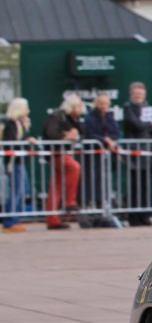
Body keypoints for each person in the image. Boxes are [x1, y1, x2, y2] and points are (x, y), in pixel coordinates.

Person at [119, 81, 152, 225]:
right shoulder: (128, 107)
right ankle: (134, 216)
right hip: (134, 152)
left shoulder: (147, 107)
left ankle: (144, 215)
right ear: (132, 94)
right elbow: (136, 125)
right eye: (136, 94)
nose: (139, 96)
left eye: (141, 94)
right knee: (135, 185)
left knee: (145, 185)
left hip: (146, 151)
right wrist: (151, 124)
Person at [80, 92, 123, 228]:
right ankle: (90, 213)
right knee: (91, 183)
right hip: (93, 156)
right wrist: (104, 140)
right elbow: (90, 134)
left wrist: (111, 139)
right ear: (96, 104)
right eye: (101, 103)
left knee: (105, 183)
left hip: (107, 157)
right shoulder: (90, 118)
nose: (104, 106)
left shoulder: (110, 117)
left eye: (106, 103)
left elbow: (116, 132)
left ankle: (103, 211)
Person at [42, 94, 85, 230]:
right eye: (79, 106)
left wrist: (75, 134)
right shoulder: (56, 117)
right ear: (72, 106)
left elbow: (82, 133)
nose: (81, 108)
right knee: (74, 167)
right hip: (56, 153)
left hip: (63, 153)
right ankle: (70, 201)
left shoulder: (73, 119)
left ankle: (52, 219)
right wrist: (67, 136)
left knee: (56, 186)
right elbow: (51, 134)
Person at [2, 98, 37, 232]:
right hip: (14, 163)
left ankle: (14, 218)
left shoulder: (21, 124)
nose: (28, 110)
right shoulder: (11, 124)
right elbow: (11, 143)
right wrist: (25, 141)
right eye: (26, 108)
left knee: (22, 190)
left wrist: (27, 138)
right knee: (16, 191)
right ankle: (9, 221)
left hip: (20, 161)